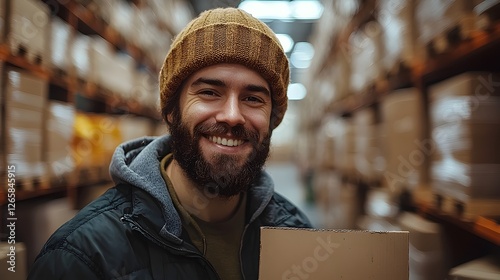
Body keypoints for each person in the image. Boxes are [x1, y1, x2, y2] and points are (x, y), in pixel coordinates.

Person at [28, 7, 311, 280]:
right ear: (171, 111)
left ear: (273, 119)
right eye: (210, 92)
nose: (232, 116)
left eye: (253, 98)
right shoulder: (82, 257)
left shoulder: (297, 235)